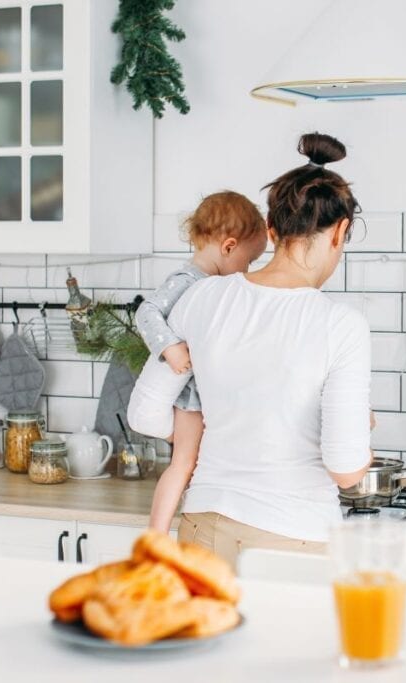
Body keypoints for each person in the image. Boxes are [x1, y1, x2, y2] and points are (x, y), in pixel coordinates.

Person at [128, 132, 374, 567]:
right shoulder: (341, 325)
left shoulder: (202, 298)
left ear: (272, 230)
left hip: (204, 526)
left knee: (203, 637)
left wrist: (220, 428)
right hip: (293, 538)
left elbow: (144, 414)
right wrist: (363, 434)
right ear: (340, 232)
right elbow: (346, 469)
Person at [132, 191, 268, 533]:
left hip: (209, 393)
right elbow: (146, 312)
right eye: (248, 261)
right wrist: (170, 348)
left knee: (199, 462)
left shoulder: (214, 287)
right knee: (184, 462)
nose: (247, 271)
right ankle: (157, 532)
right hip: (191, 396)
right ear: (228, 247)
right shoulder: (187, 281)